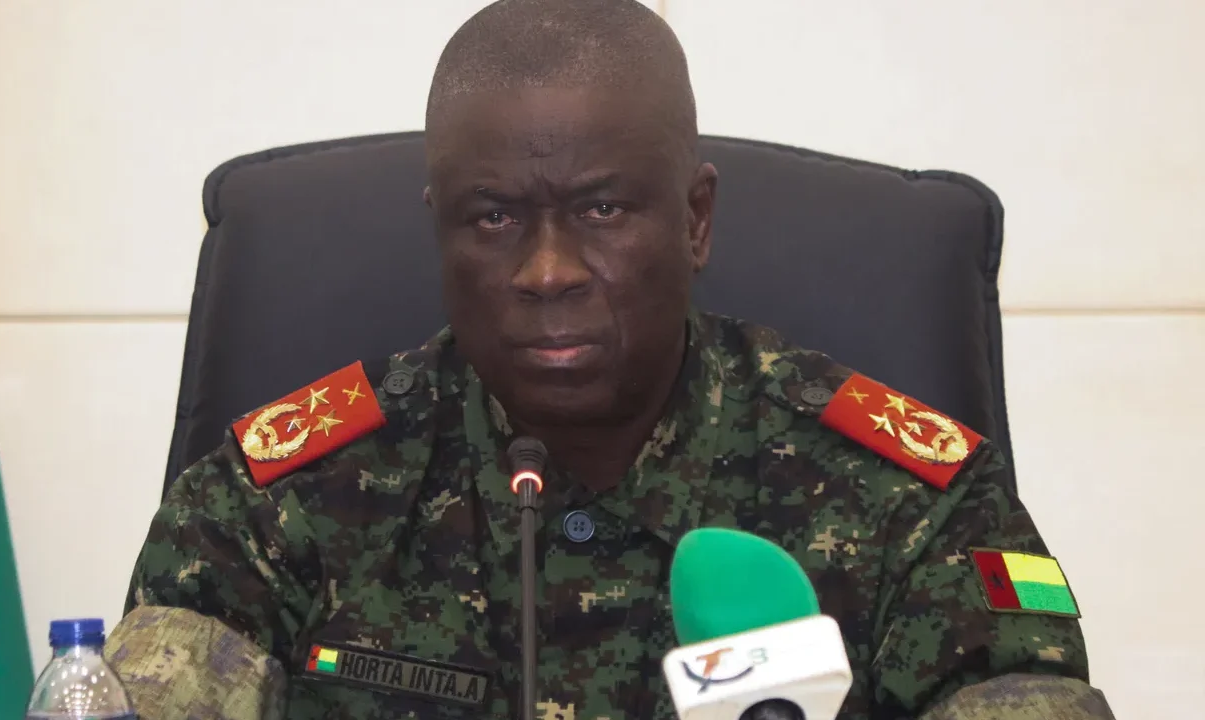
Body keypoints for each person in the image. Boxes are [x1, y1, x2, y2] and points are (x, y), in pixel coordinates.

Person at [105, 1, 1115, 718]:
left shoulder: (911, 503)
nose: (547, 271)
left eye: (600, 209)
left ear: (695, 218)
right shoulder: (273, 503)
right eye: (493, 217)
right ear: (438, 228)